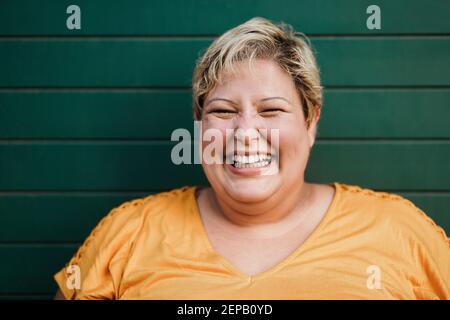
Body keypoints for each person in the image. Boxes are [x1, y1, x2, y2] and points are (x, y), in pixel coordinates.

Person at [54, 17, 449, 300]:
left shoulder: (402, 233)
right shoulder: (127, 234)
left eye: (271, 110)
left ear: (310, 122)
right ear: (199, 127)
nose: (245, 133)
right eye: (223, 112)